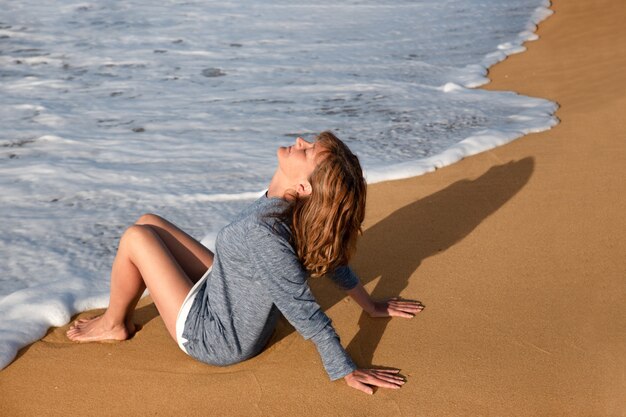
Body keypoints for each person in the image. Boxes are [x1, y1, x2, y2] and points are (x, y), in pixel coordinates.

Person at [66, 131, 424, 394]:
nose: (300, 140)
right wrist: (369, 303)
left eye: (308, 150)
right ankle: (117, 316)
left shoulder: (261, 231)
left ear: (304, 187)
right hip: (227, 296)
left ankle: (114, 324)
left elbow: (304, 310)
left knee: (135, 237)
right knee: (149, 221)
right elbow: (328, 257)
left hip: (214, 338)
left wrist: (343, 368)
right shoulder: (288, 210)